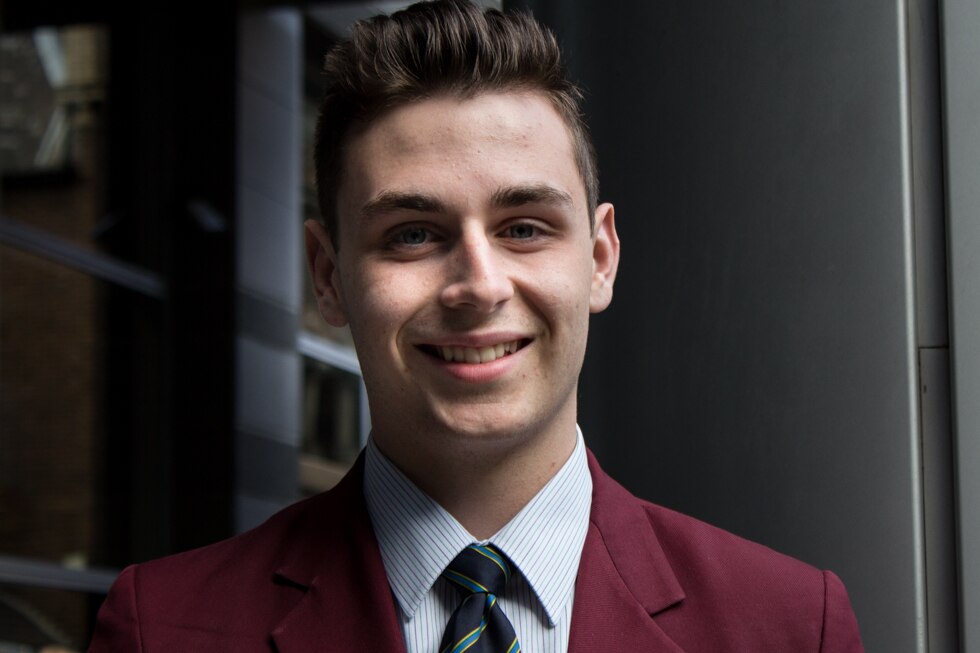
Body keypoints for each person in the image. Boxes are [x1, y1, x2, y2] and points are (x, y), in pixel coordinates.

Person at [88, 1, 864, 651]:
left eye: (524, 227)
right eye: (412, 234)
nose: (478, 285)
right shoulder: (162, 626)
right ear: (328, 276)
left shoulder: (794, 623)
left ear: (599, 258)